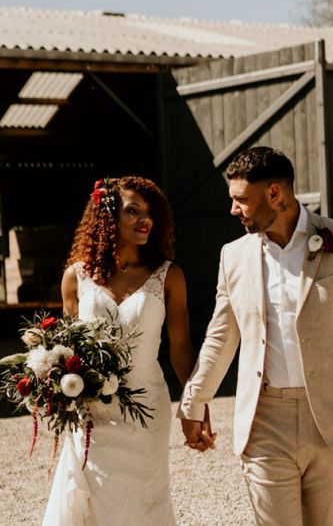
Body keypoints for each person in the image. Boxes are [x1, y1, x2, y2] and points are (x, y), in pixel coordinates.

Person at [178, 146, 333, 526]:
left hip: (331, 416)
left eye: (241, 200)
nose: (233, 210)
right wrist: (194, 401)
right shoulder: (233, 256)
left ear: (275, 194)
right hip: (263, 418)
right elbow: (221, 336)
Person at [43, 175, 199, 526]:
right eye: (133, 211)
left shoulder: (169, 276)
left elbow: (181, 348)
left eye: (150, 212)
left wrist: (196, 403)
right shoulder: (75, 277)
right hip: (91, 413)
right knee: (94, 503)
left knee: (144, 502)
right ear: (107, 217)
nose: (145, 219)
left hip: (146, 409)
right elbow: (66, 350)